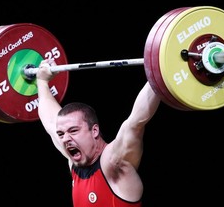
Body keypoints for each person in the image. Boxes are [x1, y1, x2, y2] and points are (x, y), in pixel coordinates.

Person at [36, 59, 161, 207]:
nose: (65, 139)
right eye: (61, 134)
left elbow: (136, 122)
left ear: (94, 130)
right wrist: (42, 82)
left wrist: (159, 72)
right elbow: (50, 122)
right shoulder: (75, 162)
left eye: (73, 131)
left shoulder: (113, 163)